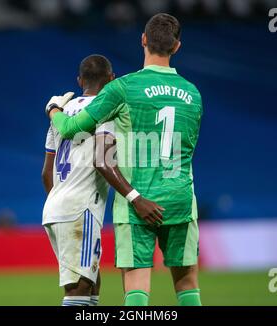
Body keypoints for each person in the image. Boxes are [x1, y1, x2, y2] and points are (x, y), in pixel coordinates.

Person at [46, 13, 203, 306]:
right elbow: (188, 149)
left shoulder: (122, 88)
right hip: (181, 198)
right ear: (177, 46)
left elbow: (69, 129)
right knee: (187, 284)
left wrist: (54, 108)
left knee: (136, 288)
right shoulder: (193, 94)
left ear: (143, 40)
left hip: (136, 202)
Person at [41, 54, 115, 306]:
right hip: (79, 209)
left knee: (92, 283)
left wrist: (60, 201)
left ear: (79, 80)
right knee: (78, 290)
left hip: (54, 207)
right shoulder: (105, 110)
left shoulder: (59, 114)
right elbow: (104, 160)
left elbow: (46, 173)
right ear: (111, 79)